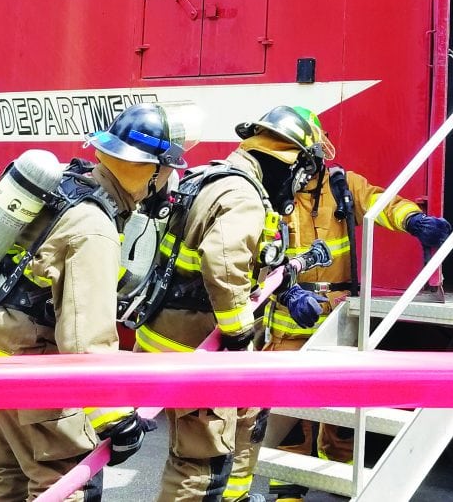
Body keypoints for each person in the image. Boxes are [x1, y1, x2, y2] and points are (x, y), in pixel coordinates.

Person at [0, 102, 195, 502]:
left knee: (10, 481)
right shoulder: (94, 226)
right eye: (168, 169)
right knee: (60, 486)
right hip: (27, 377)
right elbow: (86, 337)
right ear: (151, 170)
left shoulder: (65, 184)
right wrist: (114, 417)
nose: (170, 180)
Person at [232, 105, 451, 502]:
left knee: (343, 411)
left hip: (340, 315)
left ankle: (343, 483)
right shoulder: (270, 194)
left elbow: (381, 202)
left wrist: (415, 221)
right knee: (290, 410)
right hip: (289, 317)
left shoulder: (341, 185)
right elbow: (256, 257)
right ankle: (288, 490)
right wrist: (286, 292)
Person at [135, 105, 332, 502]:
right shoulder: (242, 194)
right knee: (200, 462)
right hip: (198, 348)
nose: (299, 185)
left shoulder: (211, 177)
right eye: (303, 173)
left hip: (165, 333)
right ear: (289, 162)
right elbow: (223, 265)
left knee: (243, 423)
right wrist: (239, 334)